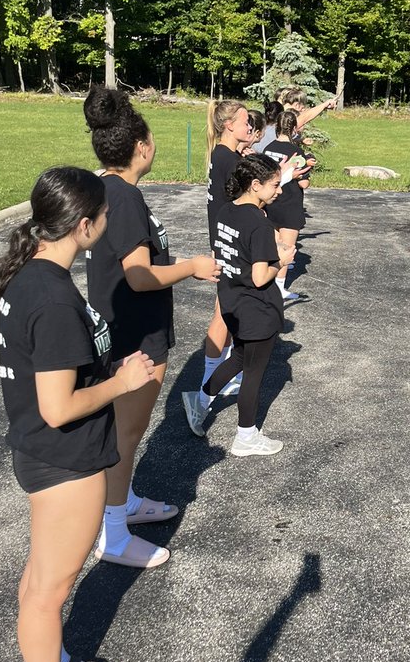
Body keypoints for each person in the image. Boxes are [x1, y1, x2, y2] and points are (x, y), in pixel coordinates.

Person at [0, 166, 156, 662]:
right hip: (64, 459)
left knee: (40, 581)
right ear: (84, 225)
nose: (108, 224)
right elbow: (58, 406)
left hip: (42, 454)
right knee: (47, 590)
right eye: (103, 217)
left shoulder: (29, 277)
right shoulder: (53, 298)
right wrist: (124, 380)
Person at [84, 86, 219, 568]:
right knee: (127, 431)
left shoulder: (106, 188)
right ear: (141, 146)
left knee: (127, 431)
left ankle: (125, 502)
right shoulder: (123, 197)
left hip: (124, 326)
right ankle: (113, 534)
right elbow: (139, 277)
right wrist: (192, 266)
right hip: (134, 335)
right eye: (152, 138)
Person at [204, 154, 297, 456]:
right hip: (256, 307)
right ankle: (246, 436)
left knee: (240, 356)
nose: (279, 191)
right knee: (253, 374)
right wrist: (281, 260)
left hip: (232, 301)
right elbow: (259, 277)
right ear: (255, 185)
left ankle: (201, 397)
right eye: (274, 185)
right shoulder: (258, 222)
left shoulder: (226, 211)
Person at [183, 99, 254, 436]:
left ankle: (216, 375)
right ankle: (208, 384)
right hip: (231, 244)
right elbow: (243, 201)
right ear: (229, 125)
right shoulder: (226, 157)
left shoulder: (224, 155)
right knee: (224, 312)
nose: (249, 126)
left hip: (225, 241)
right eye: (244, 122)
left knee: (225, 311)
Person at [263, 108, 311, 303]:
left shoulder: (267, 149)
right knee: (287, 248)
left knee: (273, 246)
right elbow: (303, 183)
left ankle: (268, 283)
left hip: (271, 204)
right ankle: (280, 289)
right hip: (290, 205)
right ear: (294, 128)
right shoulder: (296, 152)